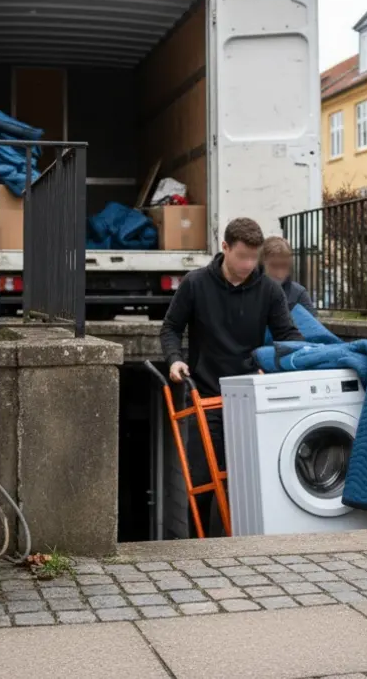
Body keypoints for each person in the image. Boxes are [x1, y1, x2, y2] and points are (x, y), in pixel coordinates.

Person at [159, 217, 303, 537]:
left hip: (250, 398)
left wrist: (289, 362)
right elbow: (170, 328)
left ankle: (242, 546)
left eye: (254, 258)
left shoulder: (268, 289)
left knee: (248, 481)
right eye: (242, 256)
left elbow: (288, 334)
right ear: (224, 248)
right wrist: (174, 360)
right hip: (205, 393)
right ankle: (199, 547)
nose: (248, 264)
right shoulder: (195, 284)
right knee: (202, 480)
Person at [259, 236, 315, 314]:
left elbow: (311, 325)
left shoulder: (299, 294)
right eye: (274, 266)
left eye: (284, 266)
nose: (279, 274)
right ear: (262, 264)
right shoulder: (249, 293)